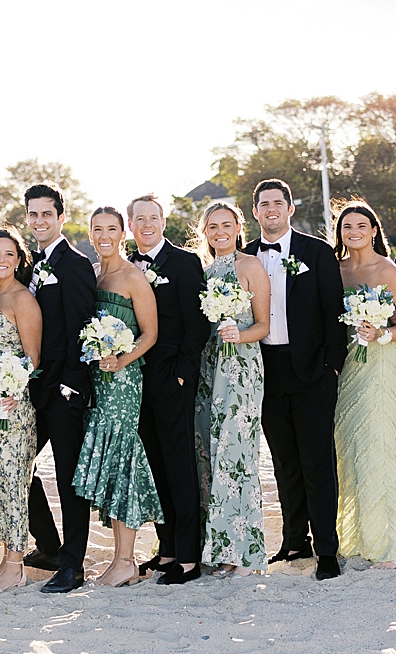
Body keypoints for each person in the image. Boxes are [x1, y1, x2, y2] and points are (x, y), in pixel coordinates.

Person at [249, 178, 349, 580]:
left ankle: (327, 549)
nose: (271, 209)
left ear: (290, 209)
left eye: (278, 202)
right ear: (255, 212)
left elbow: (333, 311)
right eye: (263, 203)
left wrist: (332, 367)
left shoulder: (317, 251)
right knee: (283, 461)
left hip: (311, 370)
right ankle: (294, 540)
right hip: (266, 369)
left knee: (317, 462)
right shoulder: (247, 256)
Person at [69, 206, 162, 588]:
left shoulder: (132, 276)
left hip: (123, 382)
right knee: (107, 462)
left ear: (122, 233)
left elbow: (150, 334)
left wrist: (121, 359)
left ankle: (125, 560)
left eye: (111, 229)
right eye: (97, 229)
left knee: (122, 459)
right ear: (90, 234)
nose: (104, 235)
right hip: (95, 379)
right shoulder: (91, 275)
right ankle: (119, 557)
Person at [127, 193, 210, 586]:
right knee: (156, 465)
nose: (146, 225)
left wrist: (182, 374)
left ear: (163, 221)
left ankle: (189, 557)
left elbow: (198, 325)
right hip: (136, 381)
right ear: (131, 225)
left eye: (153, 218)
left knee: (179, 466)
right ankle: (167, 548)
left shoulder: (184, 262)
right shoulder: (126, 266)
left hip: (172, 378)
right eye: (139, 219)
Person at [21, 183, 99, 595]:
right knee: (18, 466)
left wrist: (72, 383)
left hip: (64, 391)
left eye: (46, 214)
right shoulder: (26, 263)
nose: (39, 221)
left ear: (60, 217)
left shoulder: (75, 264)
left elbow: (83, 328)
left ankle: (73, 564)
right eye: (32, 215)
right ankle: (48, 545)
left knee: (70, 480)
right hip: (31, 390)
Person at [331, 202, 396, 568]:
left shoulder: (387, 269)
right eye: (346, 226)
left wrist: (381, 334)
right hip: (347, 365)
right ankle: (355, 538)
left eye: (361, 225)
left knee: (378, 445)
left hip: (380, 363)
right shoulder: (337, 270)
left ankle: (388, 544)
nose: (354, 232)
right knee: (347, 446)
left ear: (373, 229)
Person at [194, 200, 271, 575]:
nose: (220, 232)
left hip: (240, 368)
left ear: (239, 227)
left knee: (237, 456)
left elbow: (263, 325)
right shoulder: (205, 271)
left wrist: (238, 335)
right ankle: (223, 551)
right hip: (209, 368)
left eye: (226, 225)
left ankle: (248, 554)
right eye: (213, 227)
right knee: (210, 456)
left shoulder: (250, 266)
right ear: (205, 232)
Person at [0, 227, 42, 593]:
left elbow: (33, 357)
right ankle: (5, 558)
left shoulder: (22, 299)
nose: (1, 260)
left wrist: (16, 389)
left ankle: (16, 567)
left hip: (11, 404)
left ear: (19, 260)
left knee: (15, 481)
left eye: (9, 254)